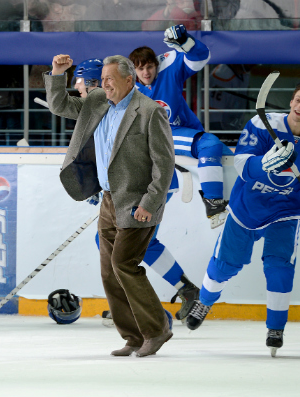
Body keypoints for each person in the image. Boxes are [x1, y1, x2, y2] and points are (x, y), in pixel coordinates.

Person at [185, 82, 300, 357]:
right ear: (291, 102)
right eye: (296, 100)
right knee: (226, 265)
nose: (299, 107)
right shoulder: (262, 125)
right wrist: (264, 164)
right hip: (248, 207)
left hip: (287, 211)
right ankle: (204, 301)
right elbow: (241, 164)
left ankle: (276, 327)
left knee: (279, 267)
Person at [45, 53, 175, 357]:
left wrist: (150, 203)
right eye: (102, 80)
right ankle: (132, 336)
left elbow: (165, 164)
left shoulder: (149, 111)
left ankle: (157, 330)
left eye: (110, 80)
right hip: (107, 199)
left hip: (136, 202)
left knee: (124, 264)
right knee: (109, 271)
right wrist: (57, 73)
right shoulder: (97, 101)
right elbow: (60, 105)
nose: (104, 85)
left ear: (129, 80)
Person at [76, 57, 200, 325]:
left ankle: (154, 308)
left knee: (126, 249)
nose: (78, 90)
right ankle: (175, 294)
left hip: (146, 187)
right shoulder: (101, 106)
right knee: (114, 244)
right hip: (126, 189)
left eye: (81, 85)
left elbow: (147, 155)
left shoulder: (132, 106)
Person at [129, 24, 230, 229]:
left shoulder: (168, 69)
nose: (146, 72)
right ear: (133, 70)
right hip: (158, 138)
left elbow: (201, 57)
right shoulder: (128, 88)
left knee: (228, 156)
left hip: (184, 129)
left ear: (156, 64)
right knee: (210, 144)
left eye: (149, 66)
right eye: (140, 68)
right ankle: (213, 202)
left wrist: (186, 42)